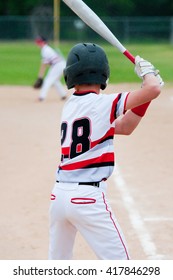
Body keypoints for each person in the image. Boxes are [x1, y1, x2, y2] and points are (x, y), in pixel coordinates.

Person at [48, 43, 163, 260]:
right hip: (88, 200)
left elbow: (124, 127)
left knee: (57, 267)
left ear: (70, 74)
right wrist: (149, 73)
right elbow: (154, 89)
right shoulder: (103, 103)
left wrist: (146, 96)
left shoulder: (71, 106)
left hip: (59, 197)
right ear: (104, 73)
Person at [33, 36, 67, 101]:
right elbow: (48, 63)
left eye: (40, 42)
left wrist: (40, 76)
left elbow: (44, 65)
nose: (38, 44)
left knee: (48, 80)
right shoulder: (47, 49)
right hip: (60, 64)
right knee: (55, 81)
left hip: (58, 65)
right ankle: (63, 95)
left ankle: (41, 97)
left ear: (44, 42)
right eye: (38, 42)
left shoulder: (45, 50)